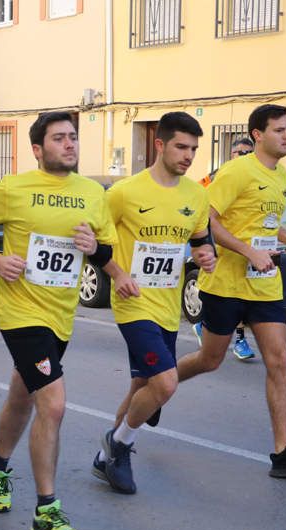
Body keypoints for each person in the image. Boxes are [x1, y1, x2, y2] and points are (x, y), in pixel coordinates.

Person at [0, 112, 118, 530]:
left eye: (73, 137)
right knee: (52, 404)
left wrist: (98, 252)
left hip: (61, 315)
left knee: (23, 396)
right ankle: (46, 511)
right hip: (21, 314)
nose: (70, 144)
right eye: (59, 138)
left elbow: (104, 247)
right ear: (37, 148)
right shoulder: (12, 189)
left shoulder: (93, 193)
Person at [174, 104, 286, 478]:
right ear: (258, 134)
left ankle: (283, 452)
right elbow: (208, 221)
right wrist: (248, 251)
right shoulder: (238, 170)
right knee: (210, 360)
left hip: (264, 285)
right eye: (279, 130)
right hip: (225, 283)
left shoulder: (281, 174)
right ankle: (160, 386)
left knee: (278, 361)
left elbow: (266, 224)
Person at [90, 112, 216, 495]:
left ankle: (105, 458)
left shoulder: (196, 195)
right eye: (181, 146)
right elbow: (95, 241)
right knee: (165, 382)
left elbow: (198, 240)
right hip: (133, 303)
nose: (188, 155)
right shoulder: (124, 193)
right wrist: (117, 274)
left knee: (142, 386)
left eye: (194, 148)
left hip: (167, 306)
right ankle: (121, 444)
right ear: (159, 145)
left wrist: (206, 255)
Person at [195, 137, 257, 361]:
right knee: (226, 294)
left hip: (247, 249)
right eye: (240, 152)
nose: (244, 156)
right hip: (220, 243)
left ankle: (208, 326)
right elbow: (197, 201)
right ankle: (236, 338)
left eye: (249, 152)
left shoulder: (255, 176)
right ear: (231, 154)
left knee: (240, 297)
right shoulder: (219, 175)